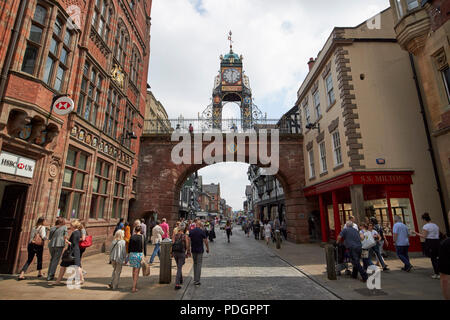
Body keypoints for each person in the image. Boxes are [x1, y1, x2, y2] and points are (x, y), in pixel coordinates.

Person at [53, 220, 83, 285]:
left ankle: (58, 281)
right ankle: (81, 279)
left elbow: (73, 244)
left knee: (73, 266)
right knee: (73, 266)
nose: (70, 227)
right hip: (75, 252)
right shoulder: (78, 232)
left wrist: (67, 241)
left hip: (72, 252)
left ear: (74, 226)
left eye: (71, 225)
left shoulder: (75, 233)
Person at [412, 213, 441, 279]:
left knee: (433, 258)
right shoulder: (435, 225)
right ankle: (439, 272)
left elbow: (424, 236)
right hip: (437, 241)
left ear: (424, 219)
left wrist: (415, 233)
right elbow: (438, 234)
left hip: (430, 242)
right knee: (437, 257)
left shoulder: (426, 226)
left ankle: (437, 273)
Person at [46, 217, 68, 281]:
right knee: (55, 260)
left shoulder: (52, 228)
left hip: (51, 245)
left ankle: (49, 274)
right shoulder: (64, 227)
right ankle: (51, 275)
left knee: (52, 259)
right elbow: (66, 236)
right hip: (59, 244)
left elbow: (50, 237)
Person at [189, 220, 209, 286]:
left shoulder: (191, 231)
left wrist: (188, 249)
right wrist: (207, 248)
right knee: (199, 264)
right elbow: (206, 241)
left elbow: (188, 240)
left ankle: (195, 279)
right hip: (200, 250)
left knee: (195, 264)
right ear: (200, 225)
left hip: (193, 250)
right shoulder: (202, 231)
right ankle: (197, 280)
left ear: (196, 225)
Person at [172, 223, 191, 290]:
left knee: (179, 266)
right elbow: (187, 245)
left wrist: (171, 253)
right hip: (181, 252)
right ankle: (177, 284)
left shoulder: (175, 235)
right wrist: (188, 252)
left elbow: (173, 243)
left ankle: (181, 280)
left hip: (175, 253)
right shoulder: (185, 236)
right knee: (179, 267)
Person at [129, 225, 144, 293]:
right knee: (137, 272)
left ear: (135, 230)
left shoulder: (132, 237)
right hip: (138, 255)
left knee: (133, 270)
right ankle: (134, 287)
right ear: (140, 231)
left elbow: (129, 248)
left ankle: (134, 284)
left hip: (132, 255)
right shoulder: (142, 237)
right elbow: (144, 248)